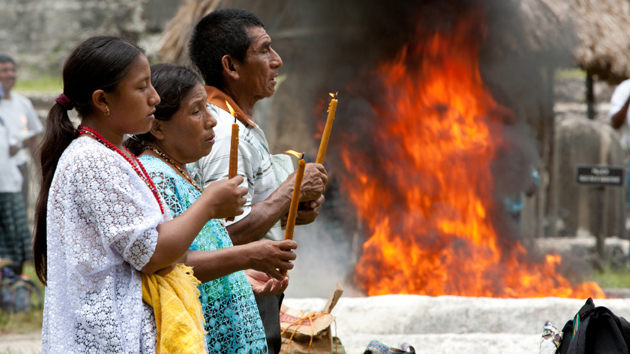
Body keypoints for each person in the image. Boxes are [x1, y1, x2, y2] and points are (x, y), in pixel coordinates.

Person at [34, 36, 247, 353]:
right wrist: (209, 203)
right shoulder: (92, 161)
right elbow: (152, 256)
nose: (155, 98)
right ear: (103, 100)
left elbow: (158, 253)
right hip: (105, 341)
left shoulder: (113, 153)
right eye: (142, 87)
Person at [125, 63, 298, 353]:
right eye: (196, 111)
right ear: (157, 127)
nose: (212, 120)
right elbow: (166, 263)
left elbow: (198, 252)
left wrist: (238, 275)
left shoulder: (178, 172)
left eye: (208, 107)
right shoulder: (156, 177)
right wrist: (248, 256)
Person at [189, 9, 328, 353]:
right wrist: (285, 195)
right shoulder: (222, 131)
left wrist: (294, 207)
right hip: (234, 295)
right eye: (264, 50)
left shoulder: (241, 122)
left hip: (256, 288)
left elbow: (247, 212)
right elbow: (219, 239)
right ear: (231, 66)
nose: (277, 61)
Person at [0, 55, 43, 206]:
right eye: (4, 70)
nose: (10, 74)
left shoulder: (23, 103)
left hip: (19, 166)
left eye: (12, 70)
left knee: (19, 212)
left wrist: (40, 173)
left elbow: (34, 139)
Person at [0, 86, 30, 275]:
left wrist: (20, 142)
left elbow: (12, 147)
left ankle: (15, 282)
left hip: (10, 184)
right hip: (6, 186)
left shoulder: (3, 121)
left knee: (14, 236)